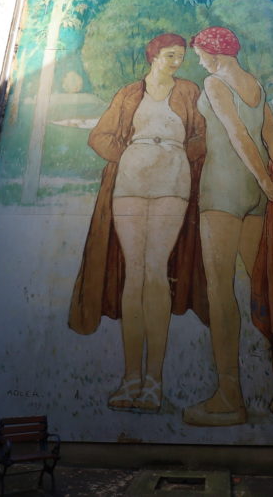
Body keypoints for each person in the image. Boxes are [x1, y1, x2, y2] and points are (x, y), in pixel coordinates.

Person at [183, 26, 273, 426]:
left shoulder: (214, 82)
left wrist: (264, 179)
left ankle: (229, 399)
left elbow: (237, 133)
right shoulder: (254, 85)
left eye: (200, 54)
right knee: (263, 286)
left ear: (214, 54)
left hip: (224, 191)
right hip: (258, 196)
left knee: (220, 293)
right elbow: (272, 136)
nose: (199, 62)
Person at [68, 33, 206, 414]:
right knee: (135, 274)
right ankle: (131, 377)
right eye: (170, 55)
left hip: (172, 182)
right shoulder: (130, 93)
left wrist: (176, 154)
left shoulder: (189, 91)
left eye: (180, 56)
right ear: (153, 56)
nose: (176, 62)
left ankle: (153, 382)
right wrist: (129, 154)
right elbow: (99, 136)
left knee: (156, 271)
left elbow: (202, 135)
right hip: (130, 181)